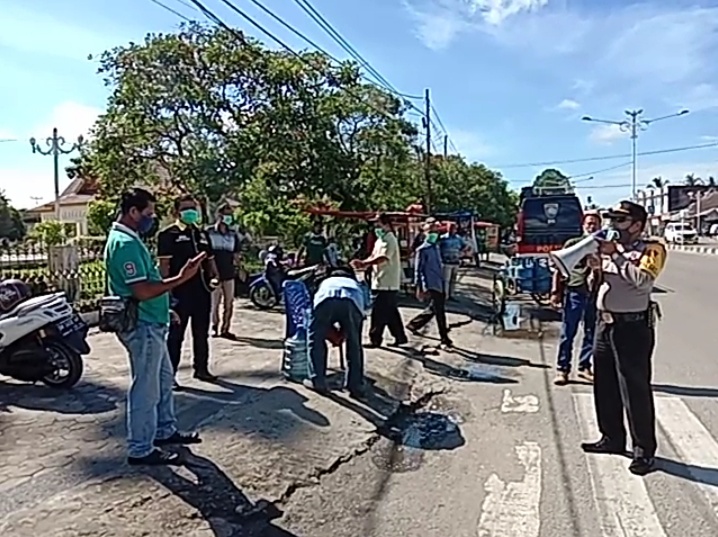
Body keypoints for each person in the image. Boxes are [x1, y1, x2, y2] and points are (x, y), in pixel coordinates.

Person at [104, 188, 203, 465]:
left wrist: (165, 309)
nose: (152, 218)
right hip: (143, 326)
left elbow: (148, 286)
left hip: (153, 321)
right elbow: (142, 290)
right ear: (133, 212)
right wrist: (181, 278)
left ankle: (164, 430)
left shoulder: (131, 240)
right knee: (146, 389)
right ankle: (140, 448)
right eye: (148, 213)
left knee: (161, 381)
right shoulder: (124, 244)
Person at [580, 201, 667, 476]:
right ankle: (612, 438)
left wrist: (615, 255)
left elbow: (642, 279)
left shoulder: (652, 249)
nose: (613, 225)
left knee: (635, 390)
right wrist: (594, 264)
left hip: (632, 328)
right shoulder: (609, 248)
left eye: (620, 220)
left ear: (637, 225)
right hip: (605, 324)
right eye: (613, 219)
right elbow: (602, 282)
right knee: (604, 385)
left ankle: (644, 451)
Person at [158, 195, 219, 386]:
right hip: (179, 292)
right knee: (176, 336)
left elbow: (210, 260)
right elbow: (164, 265)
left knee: (201, 333)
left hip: (202, 291)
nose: (191, 212)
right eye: (186, 208)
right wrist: (166, 290)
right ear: (176, 212)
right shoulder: (169, 235)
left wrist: (214, 278)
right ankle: (169, 375)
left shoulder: (201, 234)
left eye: (193, 208)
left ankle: (201, 368)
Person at [550, 212, 601, 386]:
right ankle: (562, 368)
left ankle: (584, 367)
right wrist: (556, 292)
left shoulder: (604, 245)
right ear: (583, 225)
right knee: (568, 333)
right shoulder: (573, 244)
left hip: (595, 295)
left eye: (595, 224)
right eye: (589, 223)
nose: (591, 227)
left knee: (591, 333)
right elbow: (559, 268)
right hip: (575, 292)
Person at [306, 265, 368, 398]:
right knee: (354, 344)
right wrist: (343, 333)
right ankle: (355, 386)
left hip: (325, 299)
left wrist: (333, 333)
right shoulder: (356, 285)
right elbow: (360, 314)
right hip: (352, 300)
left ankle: (318, 381)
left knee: (315, 340)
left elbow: (317, 317)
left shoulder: (325, 283)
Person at [351, 213, 407, 347]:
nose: (376, 227)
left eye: (378, 224)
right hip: (379, 280)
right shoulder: (380, 240)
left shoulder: (390, 239)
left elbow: (383, 258)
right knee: (390, 312)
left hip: (386, 282)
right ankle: (400, 337)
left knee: (378, 312)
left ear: (385, 223)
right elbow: (373, 256)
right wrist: (365, 263)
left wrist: (364, 263)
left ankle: (375, 339)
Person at [407, 221, 453, 348]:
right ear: (425, 233)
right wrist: (419, 287)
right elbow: (419, 269)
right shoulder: (422, 249)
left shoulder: (436, 247)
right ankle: (444, 338)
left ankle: (414, 324)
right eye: (431, 232)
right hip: (430, 283)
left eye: (436, 232)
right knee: (439, 311)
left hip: (439, 282)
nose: (434, 234)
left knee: (434, 308)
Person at [206, 203, 243, 339]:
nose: (228, 218)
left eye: (230, 215)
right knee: (214, 303)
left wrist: (240, 269)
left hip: (229, 273)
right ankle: (214, 327)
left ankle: (225, 328)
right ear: (219, 215)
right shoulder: (209, 232)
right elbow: (207, 254)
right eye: (226, 214)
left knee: (229, 303)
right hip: (214, 274)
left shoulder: (233, 235)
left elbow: (236, 255)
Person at [438, 222, 470, 300]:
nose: (452, 230)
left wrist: (462, 253)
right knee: (446, 280)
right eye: (450, 228)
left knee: (453, 280)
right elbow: (437, 248)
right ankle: (445, 295)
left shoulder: (458, 238)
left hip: (456, 261)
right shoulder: (443, 238)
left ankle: (451, 295)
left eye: (454, 228)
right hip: (446, 262)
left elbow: (466, 246)